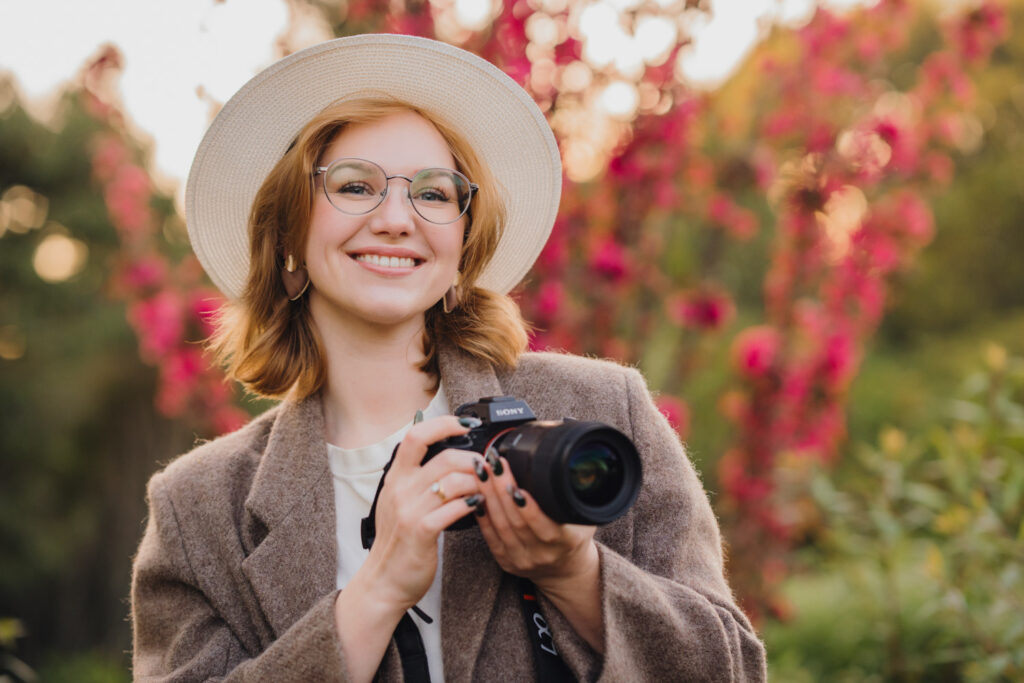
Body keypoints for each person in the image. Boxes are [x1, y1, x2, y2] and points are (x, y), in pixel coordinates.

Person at [130, 34, 767, 682]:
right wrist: (376, 592)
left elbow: (734, 669)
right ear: (289, 234)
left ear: (462, 244)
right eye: (355, 186)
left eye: (434, 194)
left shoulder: (605, 413)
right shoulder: (198, 509)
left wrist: (576, 576)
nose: (397, 219)